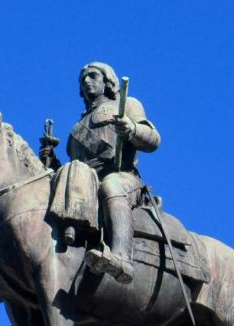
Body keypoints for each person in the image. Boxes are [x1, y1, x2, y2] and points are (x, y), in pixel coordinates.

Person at [41, 62, 160, 284]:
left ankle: (122, 258)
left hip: (123, 177)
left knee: (111, 185)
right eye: (82, 80)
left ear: (108, 81)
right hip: (86, 183)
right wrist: (52, 162)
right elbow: (75, 170)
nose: (86, 81)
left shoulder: (126, 104)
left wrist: (132, 129)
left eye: (93, 76)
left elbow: (153, 140)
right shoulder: (77, 127)